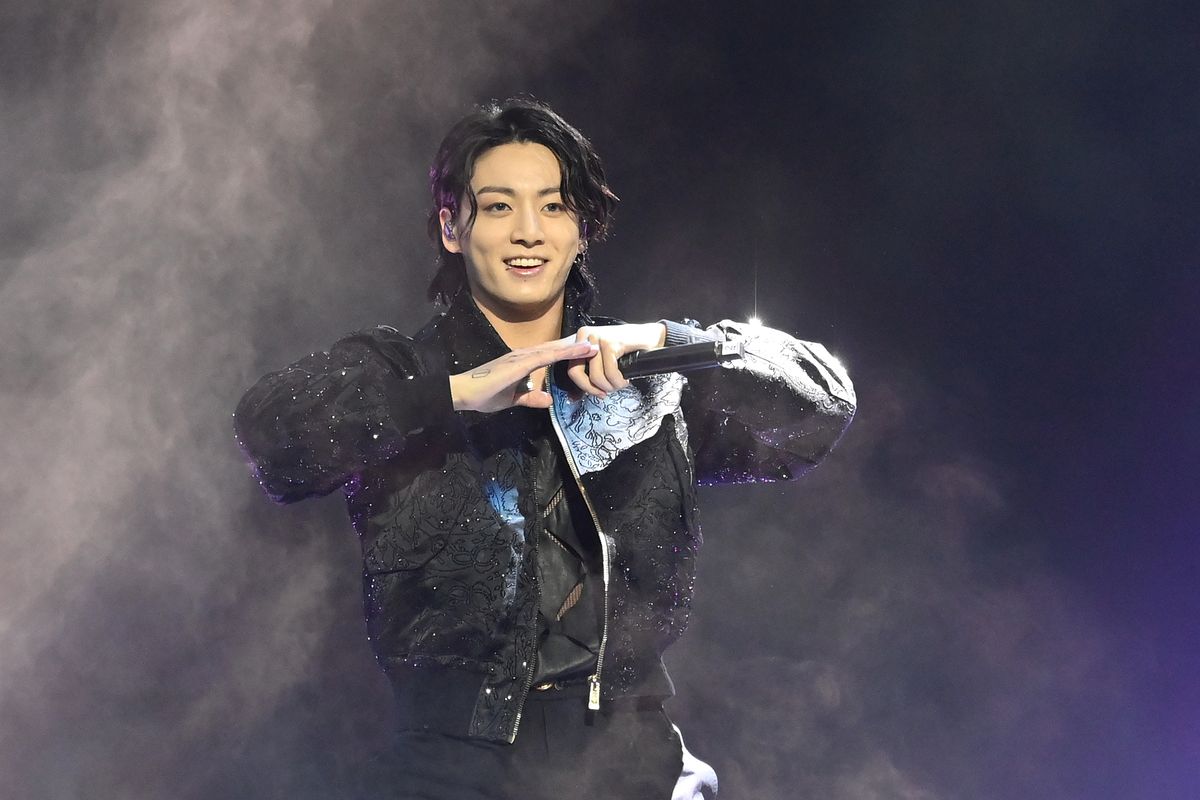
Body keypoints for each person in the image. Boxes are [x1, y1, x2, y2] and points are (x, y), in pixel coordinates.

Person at [233, 97, 856, 799]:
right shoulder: (399, 371)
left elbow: (821, 405)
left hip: (631, 762)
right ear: (451, 227)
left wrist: (665, 341)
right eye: (498, 207)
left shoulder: (648, 381)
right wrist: (456, 394)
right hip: (450, 765)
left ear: (583, 230)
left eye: (553, 207)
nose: (528, 232)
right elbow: (273, 438)